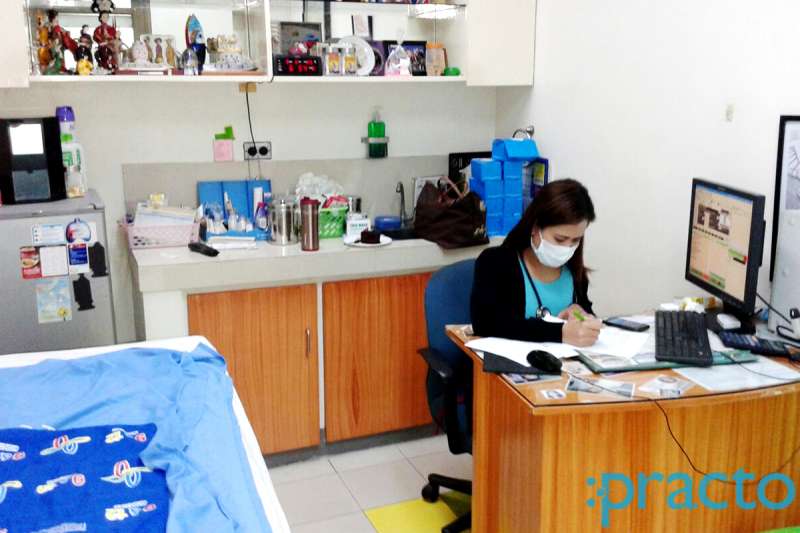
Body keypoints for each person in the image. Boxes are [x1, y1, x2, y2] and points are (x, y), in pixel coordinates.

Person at [471, 178, 602, 346]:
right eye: (560, 239)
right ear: (535, 228)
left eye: (575, 240)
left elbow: (588, 316)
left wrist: (582, 316)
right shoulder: (496, 262)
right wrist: (559, 333)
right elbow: (486, 324)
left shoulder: (574, 272)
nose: (567, 248)